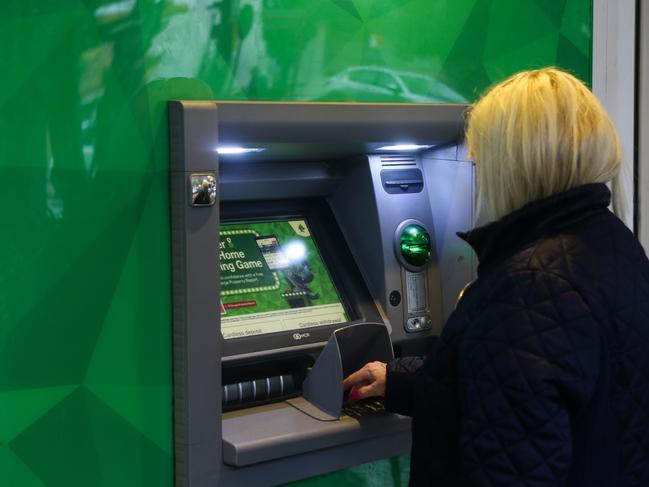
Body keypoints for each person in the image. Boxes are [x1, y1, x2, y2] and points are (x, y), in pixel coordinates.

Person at [343, 68, 649, 486]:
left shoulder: (527, 286)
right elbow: (545, 393)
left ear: (513, 163)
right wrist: (402, 379)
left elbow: (511, 454)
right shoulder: (613, 244)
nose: (476, 168)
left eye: (480, 155)